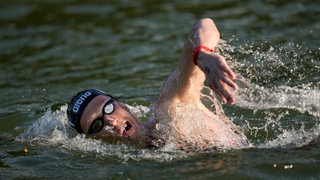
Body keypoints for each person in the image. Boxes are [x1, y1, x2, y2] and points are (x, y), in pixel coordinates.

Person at [67, 18, 250, 150]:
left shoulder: (169, 111)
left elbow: (201, 25)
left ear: (121, 104)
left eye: (107, 108)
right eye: (97, 125)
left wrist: (202, 53)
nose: (110, 120)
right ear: (91, 141)